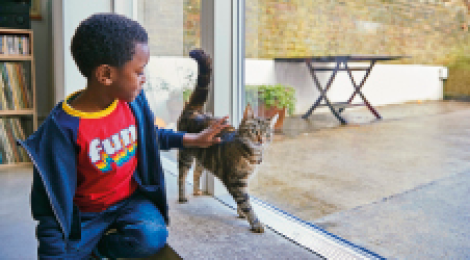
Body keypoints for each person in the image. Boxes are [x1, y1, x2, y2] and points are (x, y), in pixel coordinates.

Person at [18, 13, 228, 259]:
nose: (144, 78)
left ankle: (101, 249)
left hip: (129, 202)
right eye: (139, 71)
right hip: (85, 216)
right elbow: (50, 206)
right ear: (106, 75)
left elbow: (149, 136)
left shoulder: (131, 103)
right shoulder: (62, 130)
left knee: (153, 236)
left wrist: (194, 140)